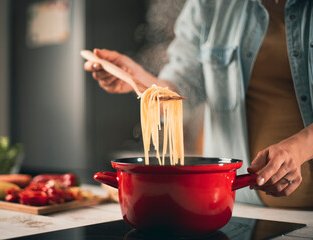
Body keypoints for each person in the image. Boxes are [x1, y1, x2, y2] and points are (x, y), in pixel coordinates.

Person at [84, 0, 313, 208]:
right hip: (236, 205)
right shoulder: (209, 5)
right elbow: (182, 89)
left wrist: (298, 148)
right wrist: (139, 79)